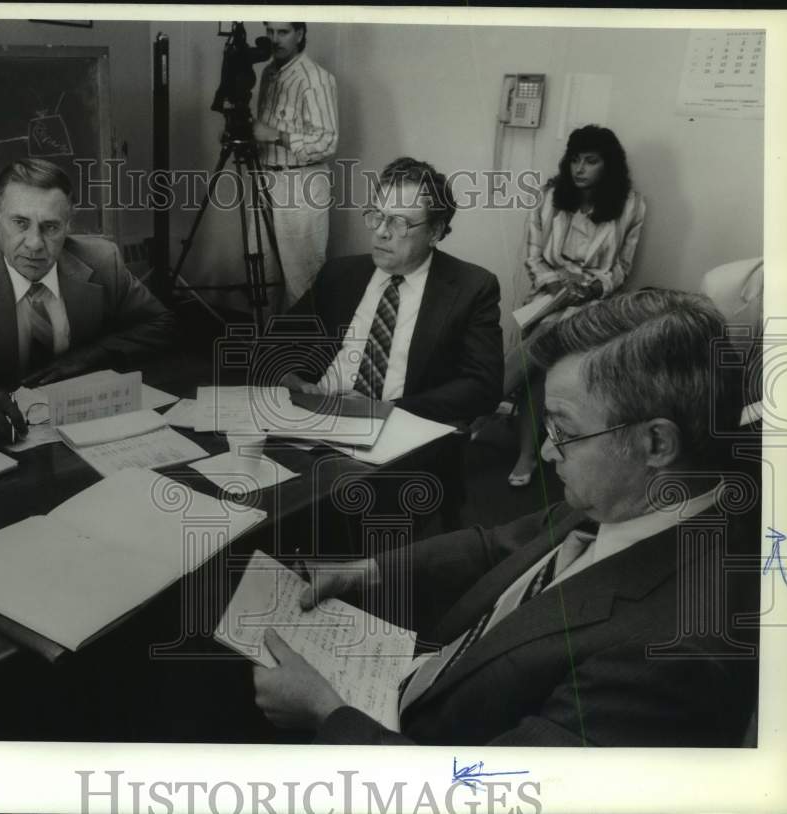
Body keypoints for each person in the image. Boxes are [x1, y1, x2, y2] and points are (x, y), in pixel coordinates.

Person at [252, 289, 758, 746]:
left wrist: (327, 716)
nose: (547, 450)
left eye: (564, 432)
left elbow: (492, 794)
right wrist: (366, 571)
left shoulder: (671, 654)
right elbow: (499, 545)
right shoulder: (639, 498)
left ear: (657, 443)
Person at [0, 158, 176, 445]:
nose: (35, 244)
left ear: (69, 222)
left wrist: (93, 355)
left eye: (50, 227)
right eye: (20, 223)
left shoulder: (102, 260)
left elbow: (161, 324)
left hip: (79, 425)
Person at [267, 156, 503, 425]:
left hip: (400, 426)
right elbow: (274, 343)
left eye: (398, 222)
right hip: (317, 414)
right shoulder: (339, 274)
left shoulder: (471, 288)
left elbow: (484, 387)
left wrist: (385, 409)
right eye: (377, 216)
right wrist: (290, 379)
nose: (381, 231)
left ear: (435, 232)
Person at [504, 125, 645, 486]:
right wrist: (557, 284)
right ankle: (523, 449)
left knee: (544, 349)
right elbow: (533, 256)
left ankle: (487, 402)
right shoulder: (550, 196)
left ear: (608, 164)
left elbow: (622, 267)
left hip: (596, 303)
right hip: (549, 295)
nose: (580, 169)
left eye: (591, 161)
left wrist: (593, 286)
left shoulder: (631, 205)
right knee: (543, 352)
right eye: (575, 160)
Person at [250, 22, 338, 310]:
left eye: (283, 32)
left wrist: (275, 135)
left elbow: (327, 142)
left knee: (302, 276)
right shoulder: (268, 74)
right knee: (262, 269)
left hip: (301, 183)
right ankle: (267, 336)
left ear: (299, 34)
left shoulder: (315, 78)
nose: (274, 39)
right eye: (270, 31)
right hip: (266, 178)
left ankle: (301, 340)